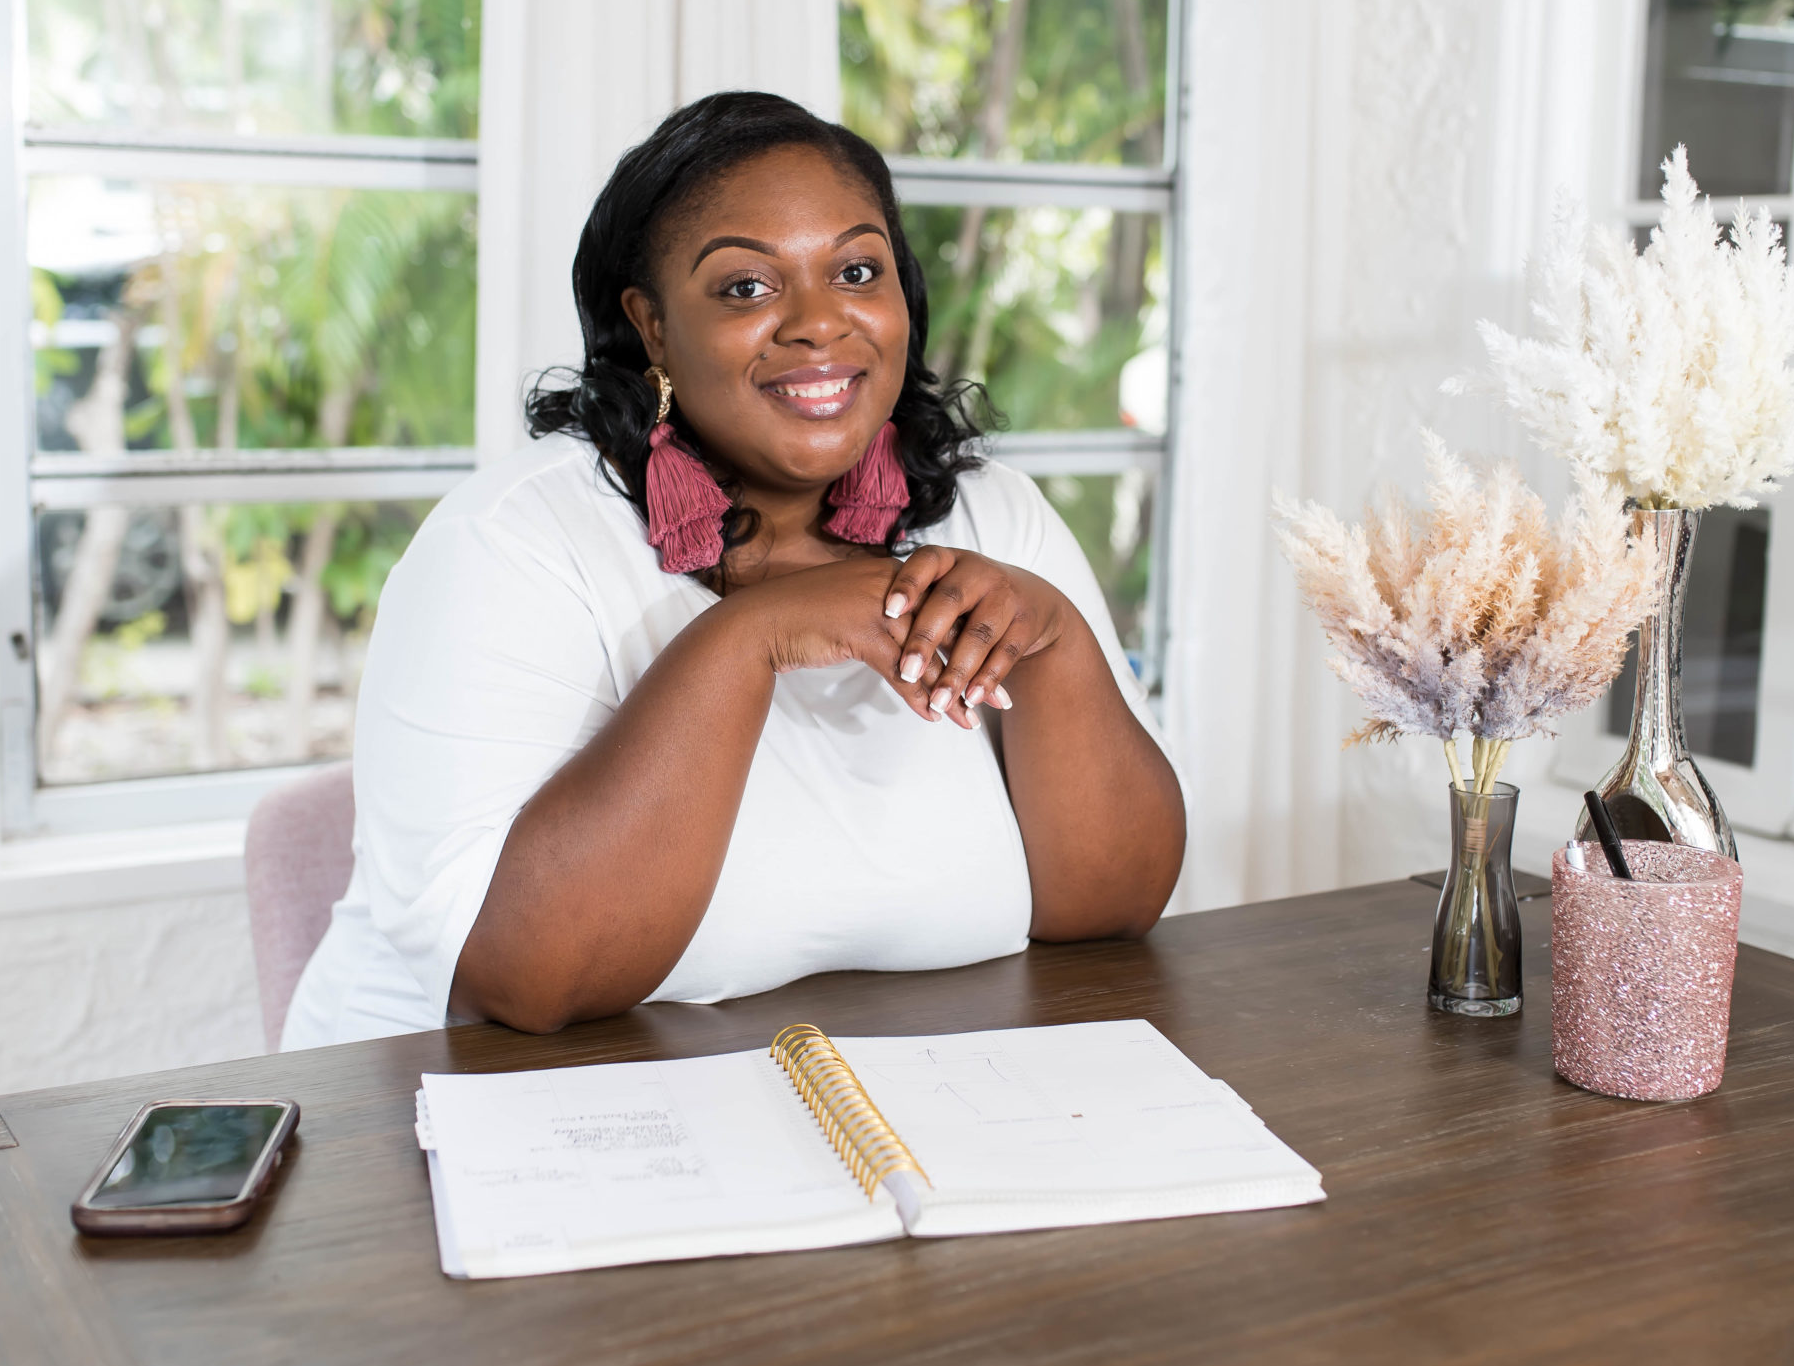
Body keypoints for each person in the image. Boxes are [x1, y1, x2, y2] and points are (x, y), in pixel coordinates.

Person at [281, 91, 1186, 1046]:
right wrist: (757, 635)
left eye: (856, 269)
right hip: (455, 1123)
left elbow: (1109, 908)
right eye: (746, 288)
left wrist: (1055, 642)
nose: (819, 323)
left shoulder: (996, 519)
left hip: (880, 1103)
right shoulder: (510, 544)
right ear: (654, 326)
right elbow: (527, 981)